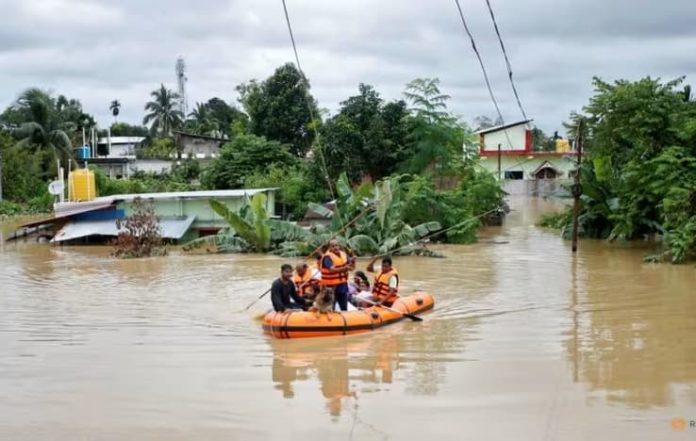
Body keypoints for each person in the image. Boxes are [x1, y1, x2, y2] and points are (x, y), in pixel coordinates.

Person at [319, 239, 354, 311]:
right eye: (333, 246)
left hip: (342, 284)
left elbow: (351, 268)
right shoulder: (327, 257)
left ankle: (345, 316)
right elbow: (331, 270)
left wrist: (353, 262)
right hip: (331, 286)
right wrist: (344, 268)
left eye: (336, 245)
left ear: (339, 246)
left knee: (343, 304)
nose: (335, 247)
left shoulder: (343, 255)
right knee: (331, 303)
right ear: (329, 248)